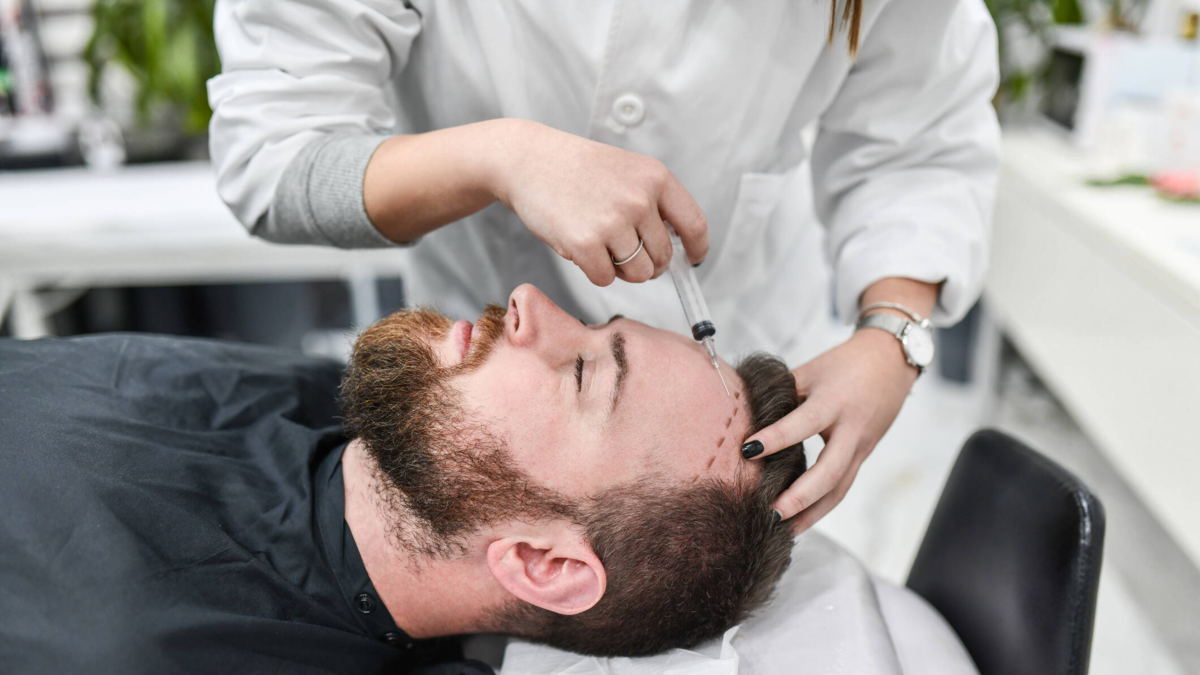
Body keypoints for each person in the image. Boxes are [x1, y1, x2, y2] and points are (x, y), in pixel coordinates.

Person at [207, 0, 1002, 530]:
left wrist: (893, 334)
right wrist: (498, 157)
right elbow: (276, 155)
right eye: (599, 365)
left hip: (758, 313)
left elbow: (922, 137)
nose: (532, 309)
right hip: (475, 343)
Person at [0, 284, 809, 673]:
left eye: (583, 373)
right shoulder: (345, 405)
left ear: (543, 563)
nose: (529, 302)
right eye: (596, 324)